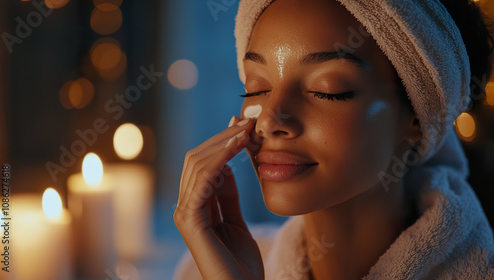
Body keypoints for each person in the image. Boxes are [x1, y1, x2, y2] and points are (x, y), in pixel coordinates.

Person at [173, 0, 494, 279]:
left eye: (328, 89)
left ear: (416, 118)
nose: (270, 120)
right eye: (256, 88)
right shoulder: (206, 268)